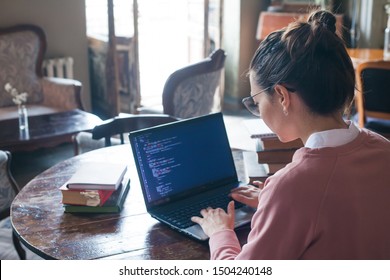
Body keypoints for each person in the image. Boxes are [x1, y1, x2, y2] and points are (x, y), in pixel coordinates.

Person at [191, 9, 390, 259]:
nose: (258, 112)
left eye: (256, 102)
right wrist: (273, 202)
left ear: (283, 97)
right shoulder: (384, 150)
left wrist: (220, 232)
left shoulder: (291, 187)